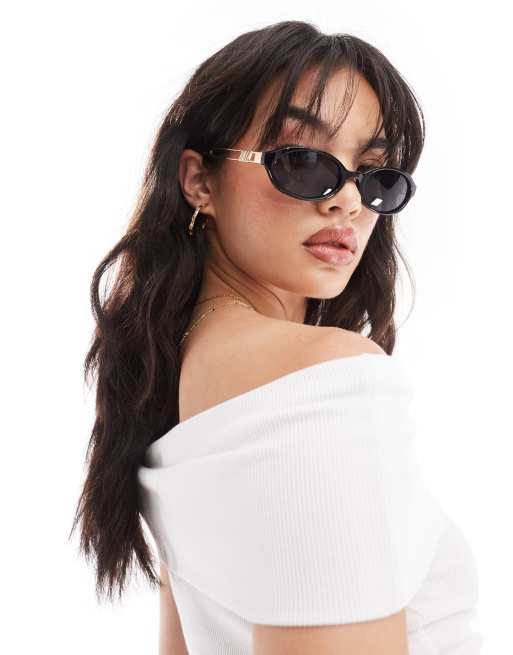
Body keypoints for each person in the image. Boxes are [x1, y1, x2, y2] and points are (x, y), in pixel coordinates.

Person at [71, 20, 482, 655]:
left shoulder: (175, 388)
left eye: (375, 175)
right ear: (199, 180)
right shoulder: (322, 378)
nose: (348, 203)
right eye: (303, 161)